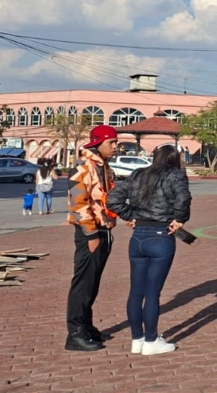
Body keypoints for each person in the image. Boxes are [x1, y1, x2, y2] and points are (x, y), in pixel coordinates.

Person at [106, 145, 192, 356]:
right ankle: (151, 340)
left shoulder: (138, 174)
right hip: (161, 235)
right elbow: (184, 198)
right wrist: (179, 219)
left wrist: (129, 215)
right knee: (152, 293)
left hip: (138, 236)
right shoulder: (175, 175)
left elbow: (112, 198)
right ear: (174, 159)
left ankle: (138, 338)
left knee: (136, 292)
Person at [64, 125, 119, 352]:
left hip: (103, 230)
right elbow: (79, 203)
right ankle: (75, 333)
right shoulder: (83, 167)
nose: (115, 147)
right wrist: (91, 234)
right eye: (111, 143)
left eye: (116, 143)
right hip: (91, 233)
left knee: (92, 283)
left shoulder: (102, 167)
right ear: (97, 143)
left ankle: (86, 326)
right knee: (83, 283)